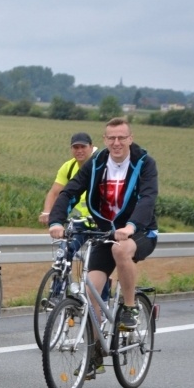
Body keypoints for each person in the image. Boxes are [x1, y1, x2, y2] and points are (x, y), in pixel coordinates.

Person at [48, 117, 158, 337]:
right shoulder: (97, 163)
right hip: (107, 233)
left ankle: (129, 308)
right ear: (105, 140)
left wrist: (131, 226)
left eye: (121, 138)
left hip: (141, 231)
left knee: (121, 249)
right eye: (112, 138)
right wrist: (56, 221)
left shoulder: (144, 163)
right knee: (90, 294)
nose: (116, 143)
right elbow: (70, 191)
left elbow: (147, 198)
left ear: (130, 139)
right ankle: (96, 348)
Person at [40, 132, 109, 301]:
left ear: (91, 147)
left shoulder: (102, 165)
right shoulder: (69, 167)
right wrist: (47, 212)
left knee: (99, 263)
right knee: (64, 252)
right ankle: (56, 295)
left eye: (83, 147)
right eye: (75, 147)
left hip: (100, 222)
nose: (79, 151)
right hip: (79, 222)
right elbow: (55, 192)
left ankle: (103, 300)